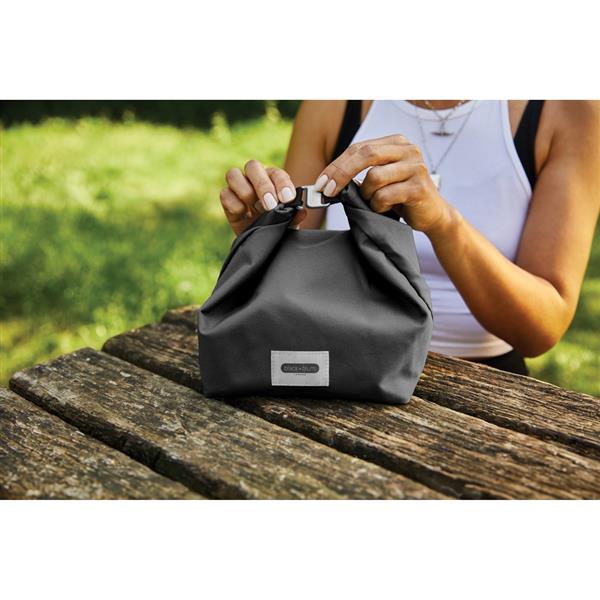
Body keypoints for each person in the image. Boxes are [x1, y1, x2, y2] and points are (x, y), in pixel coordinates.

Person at [218, 100, 600, 375]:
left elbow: (541, 330)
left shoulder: (567, 109)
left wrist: (443, 223)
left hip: (484, 381)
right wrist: (261, 238)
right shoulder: (333, 102)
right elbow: (290, 273)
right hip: (347, 364)